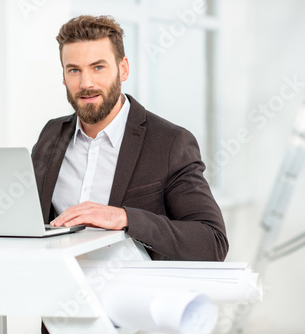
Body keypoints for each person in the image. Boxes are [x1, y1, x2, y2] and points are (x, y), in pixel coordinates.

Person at [32, 14, 228, 333]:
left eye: (98, 67)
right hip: (60, 316)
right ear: (64, 75)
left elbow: (211, 242)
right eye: (74, 70)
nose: (86, 84)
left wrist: (125, 218)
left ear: (123, 68)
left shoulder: (169, 143)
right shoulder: (51, 136)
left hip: (139, 320)